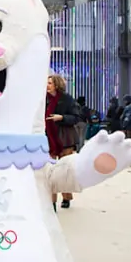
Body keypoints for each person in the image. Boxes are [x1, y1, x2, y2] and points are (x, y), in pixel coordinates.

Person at [45, 75, 78, 211]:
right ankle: (51, 200)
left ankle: (66, 196)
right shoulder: (42, 99)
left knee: (65, 170)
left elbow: (76, 117)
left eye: (50, 83)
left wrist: (62, 117)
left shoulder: (68, 99)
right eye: (47, 83)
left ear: (57, 85)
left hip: (65, 138)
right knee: (50, 171)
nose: (47, 85)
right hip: (48, 138)